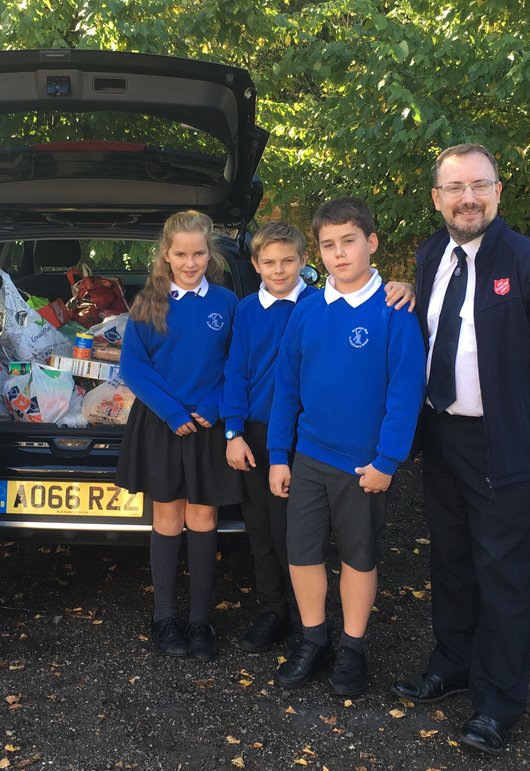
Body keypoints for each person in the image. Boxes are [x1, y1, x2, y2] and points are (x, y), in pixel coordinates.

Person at [391, 144, 530, 753]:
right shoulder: (433, 254)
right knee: (451, 561)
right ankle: (453, 664)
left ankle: (499, 701)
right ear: (437, 199)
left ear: (498, 192)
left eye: (479, 185)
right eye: (454, 188)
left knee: (505, 574)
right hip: (444, 435)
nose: (467, 198)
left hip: (505, 442)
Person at [222, 221, 417, 654]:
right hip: (267, 435)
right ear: (254, 265)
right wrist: (236, 430)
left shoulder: (328, 304)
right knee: (274, 536)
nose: (278, 270)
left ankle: (332, 637)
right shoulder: (251, 310)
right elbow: (242, 373)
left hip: (325, 444)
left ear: (303, 262)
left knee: (331, 543)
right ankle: (285, 618)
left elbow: (402, 386)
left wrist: (389, 457)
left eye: (288, 260)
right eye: (268, 262)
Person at [267, 197, 425, 696]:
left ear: (371, 242)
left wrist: (388, 460)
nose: (339, 254)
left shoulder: (395, 312)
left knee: (358, 557)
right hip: (310, 457)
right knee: (302, 553)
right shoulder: (308, 310)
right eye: (328, 245)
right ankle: (314, 639)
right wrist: (277, 454)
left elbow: (406, 392)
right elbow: (286, 388)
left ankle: (352, 648)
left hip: (365, 465)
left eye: (349, 242)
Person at [116, 209, 241, 662]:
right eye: (181, 254)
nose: (191, 263)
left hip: (208, 426)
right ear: (166, 255)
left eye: (200, 253)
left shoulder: (226, 303)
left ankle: (200, 620)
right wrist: (171, 411)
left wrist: (212, 405)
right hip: (163, 424)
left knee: (203, 521)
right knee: (167, 519)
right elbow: (133, 366)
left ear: (211, 253)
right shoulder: (148, 303)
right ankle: (165, 617)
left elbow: (235, 364)